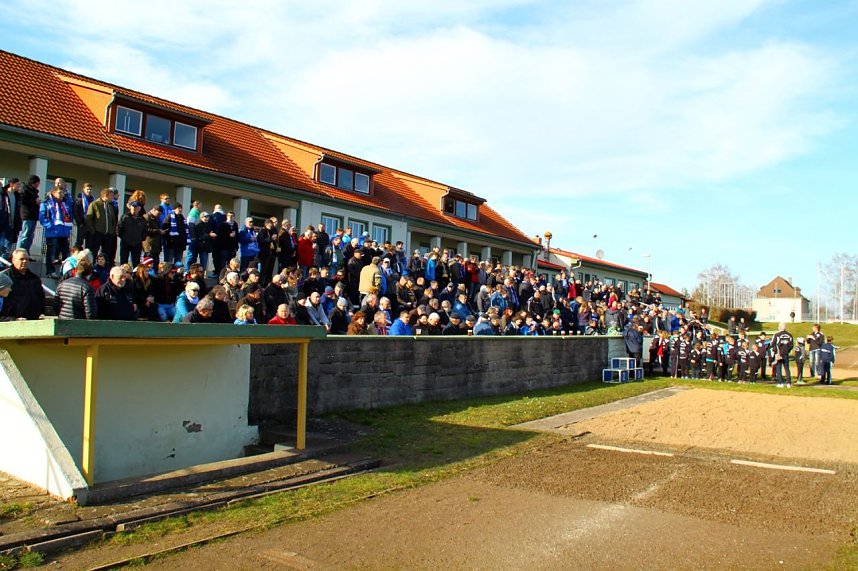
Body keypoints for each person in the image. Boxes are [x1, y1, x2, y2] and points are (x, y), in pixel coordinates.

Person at [38, 179, 74, 278]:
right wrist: (51, 226)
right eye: (59, 193)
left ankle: (66, 273)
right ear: (53, 193)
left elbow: (70, 215)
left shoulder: (65, 204)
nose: (62, 195)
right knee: (51, 253)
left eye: (62, 193)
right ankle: (50, 272)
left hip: (63, 233)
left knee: (66, 254)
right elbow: (42, 218)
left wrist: (67, 228)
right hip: (52, 233)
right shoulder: (46, 203)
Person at [0, 249, 45, 320]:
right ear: (13, 260)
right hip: (11, 321)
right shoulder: (4, 278)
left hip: (33, 320)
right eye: (21, 259)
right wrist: (11, 319)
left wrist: (41, 312)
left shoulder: (34, 278)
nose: (25, 261)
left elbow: (40, 296)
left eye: (27, 259)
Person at [85, 188, 119, 266]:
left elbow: (113, 220)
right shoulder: (94, 204)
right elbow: (89, 219)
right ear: (105, 196)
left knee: (106, 255)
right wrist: (93, 231)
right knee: (93, 252)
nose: (112, 197)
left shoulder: (111, 206)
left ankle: (104, 269)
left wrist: (112, 232)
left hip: (108, 235)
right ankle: (91, 268)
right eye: (111, 196)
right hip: (97, 234)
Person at [117, 201, 147, 268]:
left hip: (137, 244)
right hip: (125, 243)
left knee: (136, 263)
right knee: (123, 262)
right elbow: (119, 228)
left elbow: (145, 231)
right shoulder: (125, 217)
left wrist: (140, 239)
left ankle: (135, 274)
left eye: (136, 207)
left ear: (139, 208)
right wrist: (124, 237)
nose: (134, 208)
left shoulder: (142, 219)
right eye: (133, 207)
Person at [15, 175, 40, 251]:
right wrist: (35, 201)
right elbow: (23, 201)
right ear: (33, 182)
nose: (38, 184)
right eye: (37, 182)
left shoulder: (34, 191)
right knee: (24, 235)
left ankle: (26, 252)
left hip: (33, 216)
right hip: (27, 215)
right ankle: (19, 252)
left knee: (30, 236)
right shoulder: (25, 190)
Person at [771, 322, 794, 388]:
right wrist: (788, 350)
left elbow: (772, 344)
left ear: (780, 327)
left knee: (778, 368)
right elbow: (791, 345)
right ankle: (789, 383)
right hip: (786, 353)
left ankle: (780, 383)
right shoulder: (789, 335)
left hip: (779, 353)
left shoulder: (777, 334)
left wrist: (775, 351)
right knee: (787, 368)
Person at [73, 182, 95, 248]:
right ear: (83, 189)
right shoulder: (79, 199)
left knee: (90, 245)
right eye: (87, 189)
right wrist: (80, 223)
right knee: (79, 243)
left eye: (90, 189)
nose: (89, 191)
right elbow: (76, 213)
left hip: (90, 225)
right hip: (82, 224)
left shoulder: (93, 200)